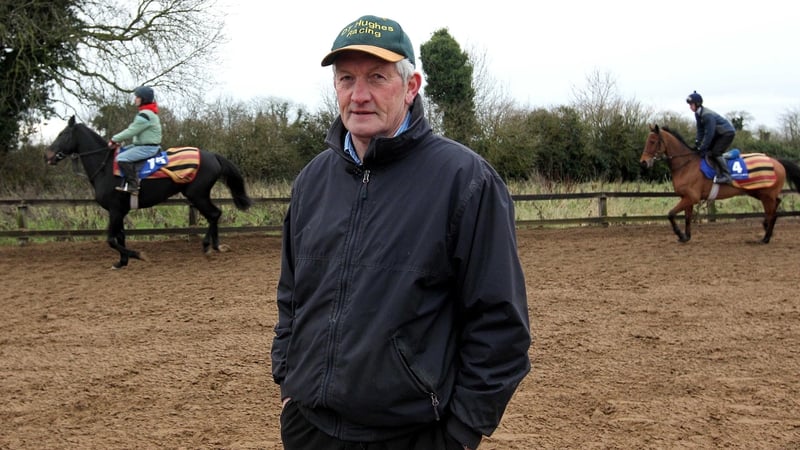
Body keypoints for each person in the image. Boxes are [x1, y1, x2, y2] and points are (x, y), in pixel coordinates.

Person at [271, 15, 531, 450]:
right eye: (346, 78)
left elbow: (500, 324)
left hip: (414, 435)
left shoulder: (465, 180)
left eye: (377, 77)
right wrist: (288, 376)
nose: (359, 95)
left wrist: (462, 432)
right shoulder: (312, 180)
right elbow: (292, 294)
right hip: (311, 429)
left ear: (411, 87)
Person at [108, 85, 162, 194]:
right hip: (141, 146)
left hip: (147, 148)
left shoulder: (145, 115)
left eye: (137, 97)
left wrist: (113, 139)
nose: (135, 99)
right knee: (121, 151)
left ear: (144, 99)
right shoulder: (148, 113)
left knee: (121, 158)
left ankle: (133, 185)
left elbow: (131, 131)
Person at [686, 90, 736, 184]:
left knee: (716, 152)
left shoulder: (707, 115)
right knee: (708, 152)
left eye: (691, 104)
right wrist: (697, 143)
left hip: (727, 133)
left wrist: (703, 147)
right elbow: (700, 131)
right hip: (718, 133)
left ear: (697, 104)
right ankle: (716, 173)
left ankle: (727, 176)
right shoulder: (697, 114)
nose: (690, 107)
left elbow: (709, 134)